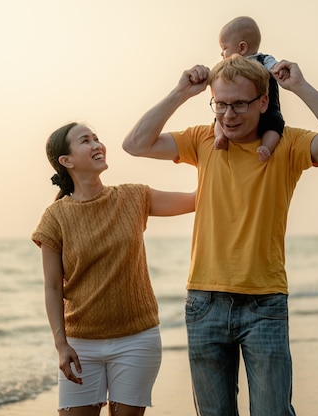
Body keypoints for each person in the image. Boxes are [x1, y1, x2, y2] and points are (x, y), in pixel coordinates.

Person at [122, 55, 318, 415]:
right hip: (205, 302)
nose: (229, 115)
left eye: (239, 104)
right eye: (220, 104)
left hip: (264, 302)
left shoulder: (287, 145)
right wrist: (179, 93)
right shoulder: (203, 139)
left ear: (263, 101)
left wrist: (299, 86)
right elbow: (135, 143)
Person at [31, 122, 195, 416]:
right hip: (81, 346)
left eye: (96, 138)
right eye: (85, 141)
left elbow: (196, 200)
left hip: (137, 339)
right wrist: (61, 344)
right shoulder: (55, 217)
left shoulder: (133, 197)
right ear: (66, 161)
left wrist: (222, 155)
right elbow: (53, 286)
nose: (97, 145)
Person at [214, 16, 284, 162]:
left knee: (274, 126)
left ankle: (266, 147)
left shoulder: (263, 60)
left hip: (269, 109)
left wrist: (280, 71)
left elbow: (274, 67)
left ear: (242, 48)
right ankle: (220, 137)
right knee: (219, 121)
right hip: (246, 114)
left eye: (224, 48)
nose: (222, 54)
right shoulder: (229, 69)